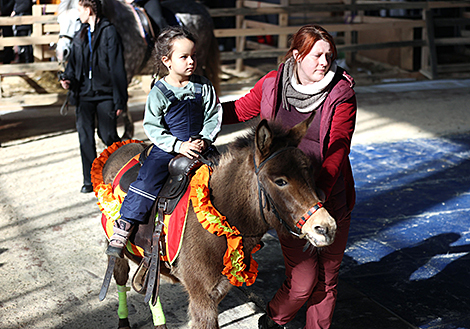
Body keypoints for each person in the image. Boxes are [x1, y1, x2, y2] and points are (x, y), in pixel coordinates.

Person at [221, 24, 357, 329]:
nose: (325, 62)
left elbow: (338, 148)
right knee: (303, 281)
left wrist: (318, 195)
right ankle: (273, 319)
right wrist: (201, 111)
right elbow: (242, 109)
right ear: (297, 55)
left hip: (327, 196)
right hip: (290, 201)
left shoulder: (341, 92)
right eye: (317, 55)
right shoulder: (274, 83)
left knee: (327, 279)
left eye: (329, 55)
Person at [106, 26, 223, 258]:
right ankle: (126, 223)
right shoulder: (160, 91)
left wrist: (205, 139)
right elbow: (152, 126)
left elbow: (214, 115)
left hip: (201, 145)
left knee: (226, 174)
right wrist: (178, 146)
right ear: (167, 61)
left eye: (194, 56)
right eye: (184, 57)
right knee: (148, 178)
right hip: (168, 148)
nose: (191, 61)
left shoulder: (204, 86)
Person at [60, 0, 128, 194]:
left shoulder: (110, 32)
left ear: (89, 10)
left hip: (105, 95)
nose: (78, 13)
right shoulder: (79, 35)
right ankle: (89, 179)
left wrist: (119, 98)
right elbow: (72, 65)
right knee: (85, 137)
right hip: (83, 95)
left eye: (80, 9)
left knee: (108, 135)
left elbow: (117, 67)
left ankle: (119, 171)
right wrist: (67, 79)